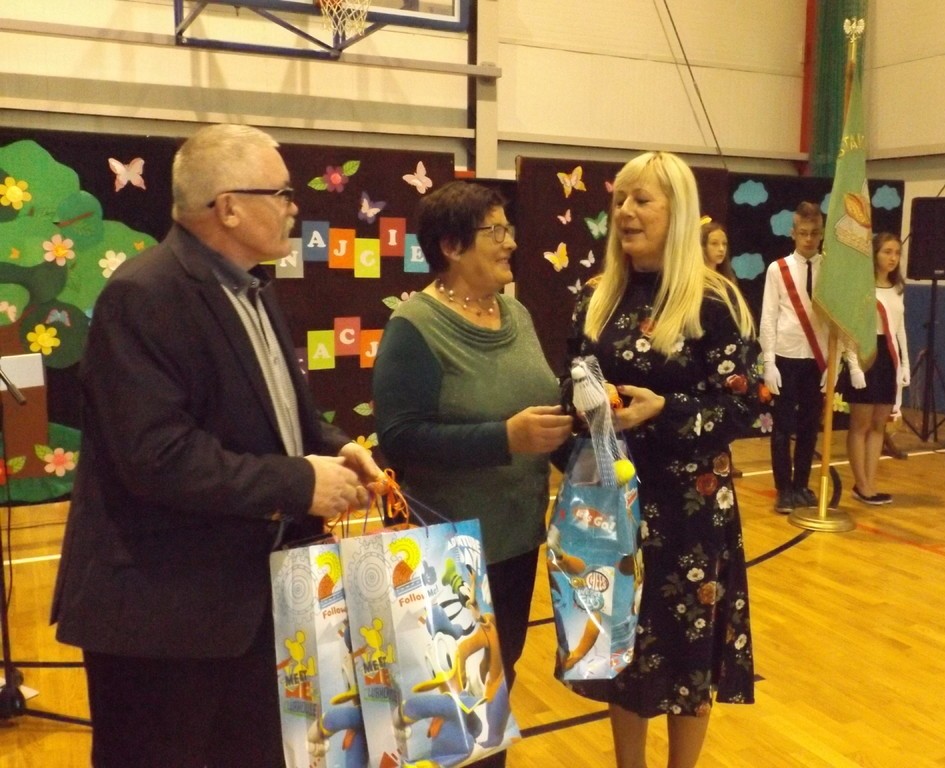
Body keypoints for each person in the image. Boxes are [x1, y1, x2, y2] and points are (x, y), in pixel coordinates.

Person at [50, 123, 383, 768]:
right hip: (163, 619)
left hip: (249, 607)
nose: (293, 207)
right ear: (228, 207)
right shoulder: (143, 295)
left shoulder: (253, 287)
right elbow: (158, 458)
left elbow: (282, 416)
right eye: (281, 193)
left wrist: (337, 449)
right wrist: (300, 483)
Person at [372, 180, 573, 768]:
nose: (511, 243)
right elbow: (400, 439)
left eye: (510, 229)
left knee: (493, 693)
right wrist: (503, 438)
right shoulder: (415, 326)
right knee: (457, 712)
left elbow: (539, 406)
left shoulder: (518, 313)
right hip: (448, 548)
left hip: (516, 541)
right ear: (452, 245)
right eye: (496, 231)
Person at [567, 151, 757, 768]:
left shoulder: (713, 301)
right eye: (620, 199)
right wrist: (580, 412)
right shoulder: (597, 297)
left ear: (678, 212)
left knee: (687, 649)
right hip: (610, 503)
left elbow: (745, 406)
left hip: (690, 513)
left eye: (642, 200)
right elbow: (572, 380)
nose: (626, 211)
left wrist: (665, 409)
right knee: (620, 648)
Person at [760, 201, 831, 513]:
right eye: (803, 232)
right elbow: (768, 317)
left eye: (814, 233)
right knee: (782, 427)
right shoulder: (778, 269)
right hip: (786, 355)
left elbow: (836, 321)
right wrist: (769, 362)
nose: (809, 239)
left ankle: (801, 484)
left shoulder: (831, 269)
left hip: (817, 358)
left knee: (809, 426)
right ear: (793, 233)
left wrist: (833, 363)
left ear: (822, 233)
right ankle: (783, 489)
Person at [844, 232, 911, 504]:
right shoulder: (861, 287)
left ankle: (871, 484)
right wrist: (854, 366)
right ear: (874, 254)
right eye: (887, 252)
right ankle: (861, 484)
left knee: (878, 426)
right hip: (865, 353)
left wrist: (904, 364)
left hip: (888, 356)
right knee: (860, 425)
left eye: (897, 253)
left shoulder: (897, 288)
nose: (893, 258)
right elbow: (850, 328)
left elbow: (899, 328)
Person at [701, 218, 744, 477]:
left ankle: (725, 458)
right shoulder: (696, 280)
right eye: (714, 243)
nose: (720, 249)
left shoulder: (727, 279)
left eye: (724, 244)